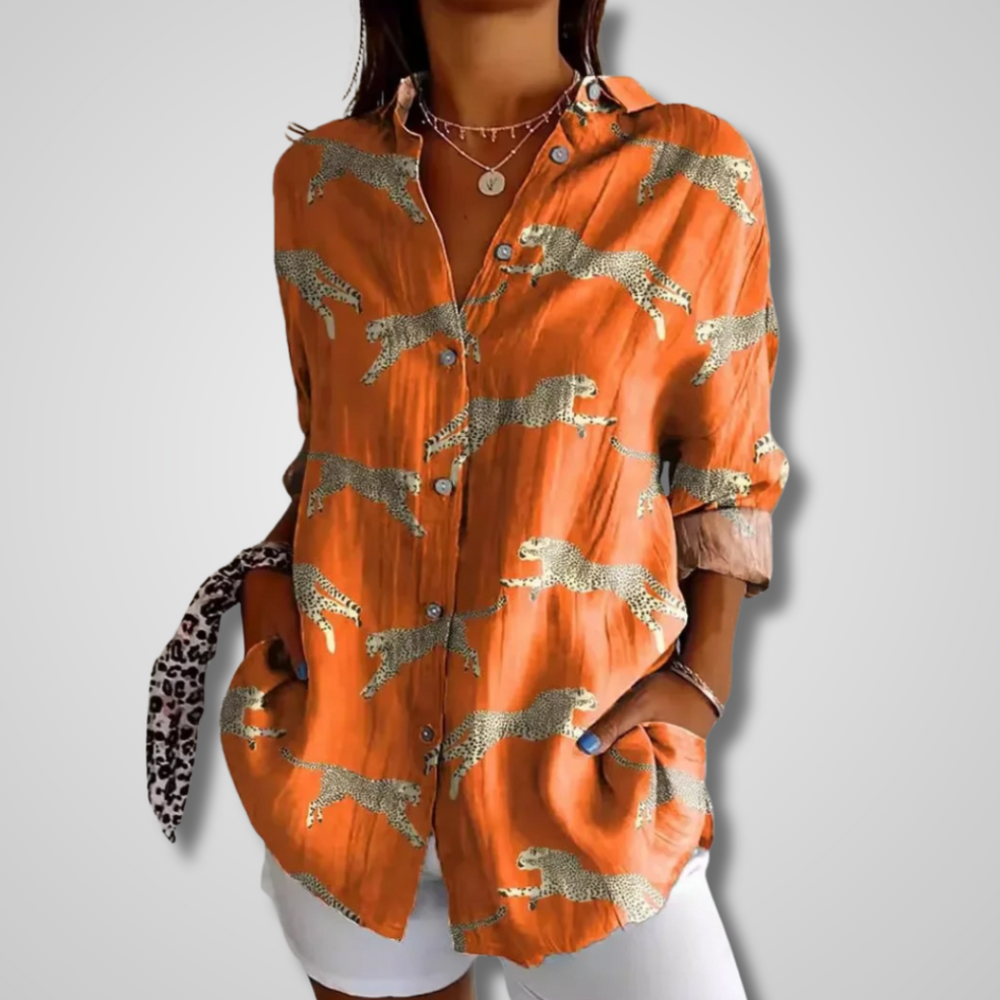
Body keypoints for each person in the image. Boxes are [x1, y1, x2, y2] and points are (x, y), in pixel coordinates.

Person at [145, 1, 789, 997]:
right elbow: (337, 441)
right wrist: (271, 600)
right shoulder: (317, 184)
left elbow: (727, 464)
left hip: (587, 778)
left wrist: (703, 678)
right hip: (349, 773)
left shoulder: (693, 172)